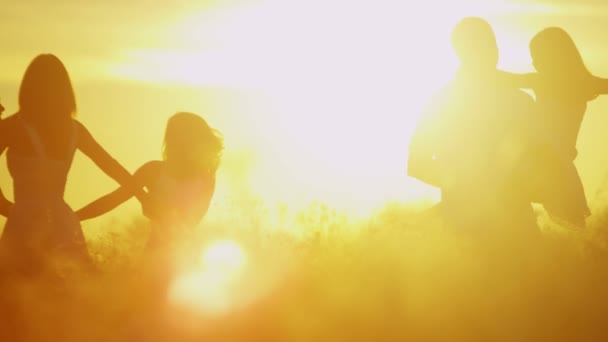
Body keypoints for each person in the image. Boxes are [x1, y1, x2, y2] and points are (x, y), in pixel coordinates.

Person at [0, 54, 144, 276]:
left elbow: (111, 166)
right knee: (66, 294)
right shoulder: (75, 131)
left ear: (27, 88)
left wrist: (6, 206)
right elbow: (111, 166)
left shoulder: (12, 127)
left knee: (17, 296)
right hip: (63, 222)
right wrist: (144, 196)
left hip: (23, 221)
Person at [408, 17, 538, 237]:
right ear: (462, 52)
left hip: (516, 225)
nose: (490, 52)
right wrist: (462, 185)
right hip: (467, 230)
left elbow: (536, 158)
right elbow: (417, 164)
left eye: (491, 44)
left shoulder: (521, 102)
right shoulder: (441, 103)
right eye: (479, 46)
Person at [497, 27, 608, 228]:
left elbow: (506, 78)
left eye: (538, 57)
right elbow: (507, 79)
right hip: (544, 165)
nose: (536, 64)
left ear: (555, 55)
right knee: (564, 235)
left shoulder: (544, 81)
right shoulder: (583, 83)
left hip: (548, 167)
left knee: (566, 236)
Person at [77, 112, 222, 256]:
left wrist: (152, 205)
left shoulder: (205, 179)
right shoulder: (153, 170)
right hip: (158, 253)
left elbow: (191, 219)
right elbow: (113, 200)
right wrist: (72, 217)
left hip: (183, 256)